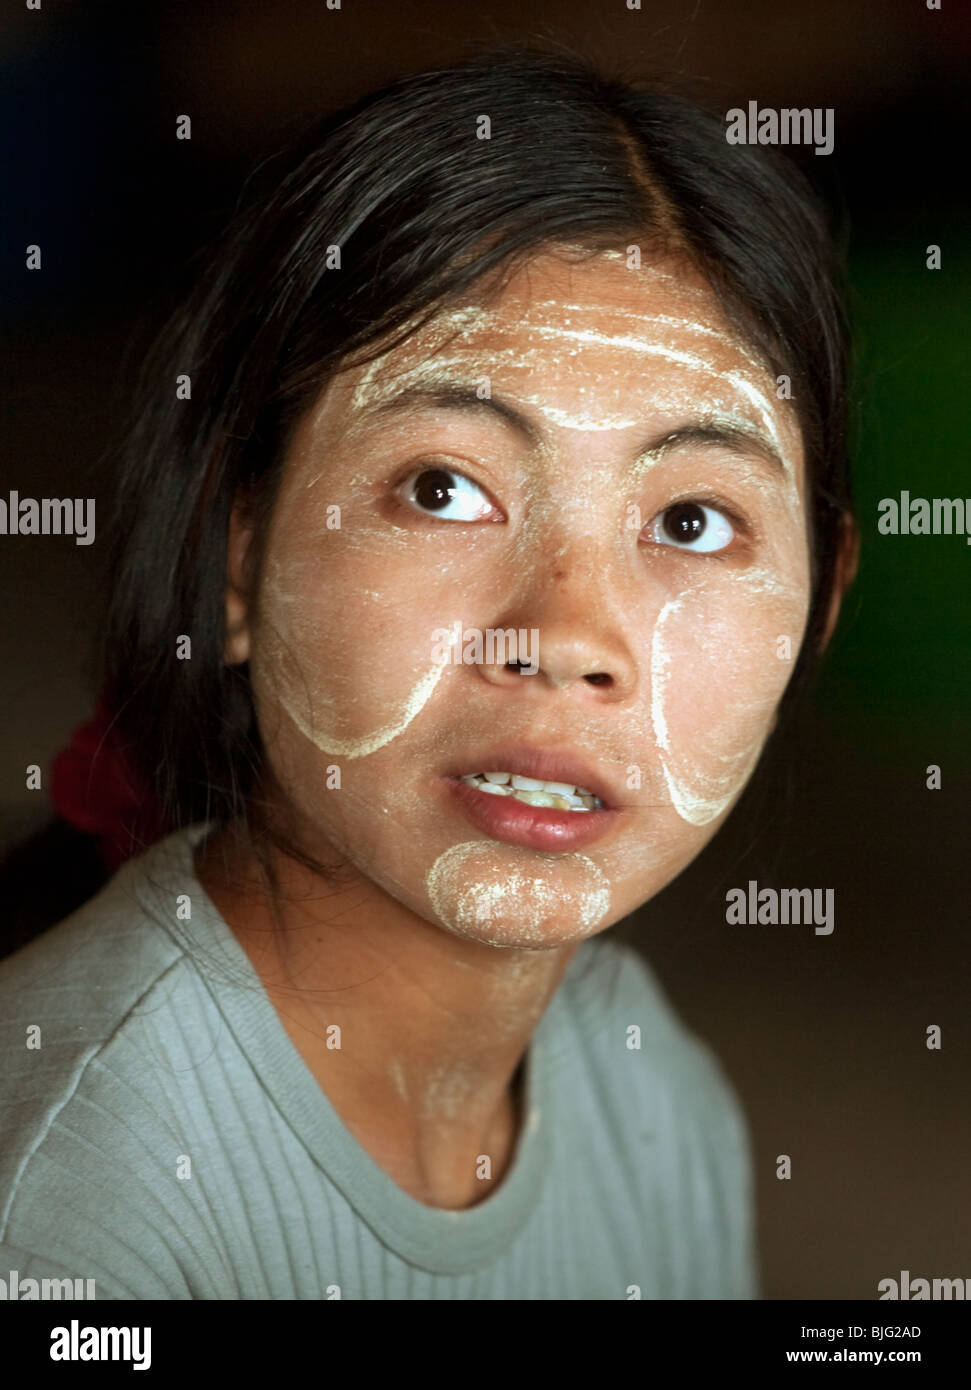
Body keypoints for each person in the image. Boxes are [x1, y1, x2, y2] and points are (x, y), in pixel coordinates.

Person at [0, 44, 856, 1299]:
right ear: (234, 561)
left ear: (816, 608)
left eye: (690, 521)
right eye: (443, 488)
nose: (566, 635)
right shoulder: (78, 1212)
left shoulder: (654, 1099)